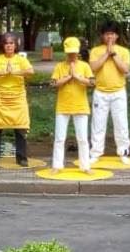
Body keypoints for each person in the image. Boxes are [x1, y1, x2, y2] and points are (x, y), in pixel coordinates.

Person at [0, 33, 34, 167]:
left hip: (17, 99)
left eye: (11, 43)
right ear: (3, 46)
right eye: (6, 43)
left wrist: (15, 72)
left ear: (15, 45)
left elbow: (30, 71)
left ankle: (22, 158)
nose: (9, 46)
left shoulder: (21, 59)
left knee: (21, 128)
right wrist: (3, 72)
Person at [89, 21, 130, 165]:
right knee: (98, 124)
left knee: (121, 123)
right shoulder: (96, 51)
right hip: (100, 92)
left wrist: (113, 54)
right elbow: (93, 68)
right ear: (102, 36)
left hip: (118, 92)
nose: (109, 37)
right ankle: (95, 152)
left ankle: (123, 152)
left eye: (112, 34)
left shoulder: (123, 51)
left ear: (117, 36)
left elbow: (125, 69)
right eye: (107, 34)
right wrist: (106, 54)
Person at [50, 37, 94, 175]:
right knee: (59, 138)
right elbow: (53, 84)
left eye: (74, 52)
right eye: (69, 53)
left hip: (80, 106)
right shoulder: (59, 66)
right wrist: (69, 77)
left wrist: (77, 76)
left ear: (78, 52)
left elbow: (92, 82)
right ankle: (57, 165)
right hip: (63, 106)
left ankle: (85, 166)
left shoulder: (84, 66)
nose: (72, 55)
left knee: (82, 139)